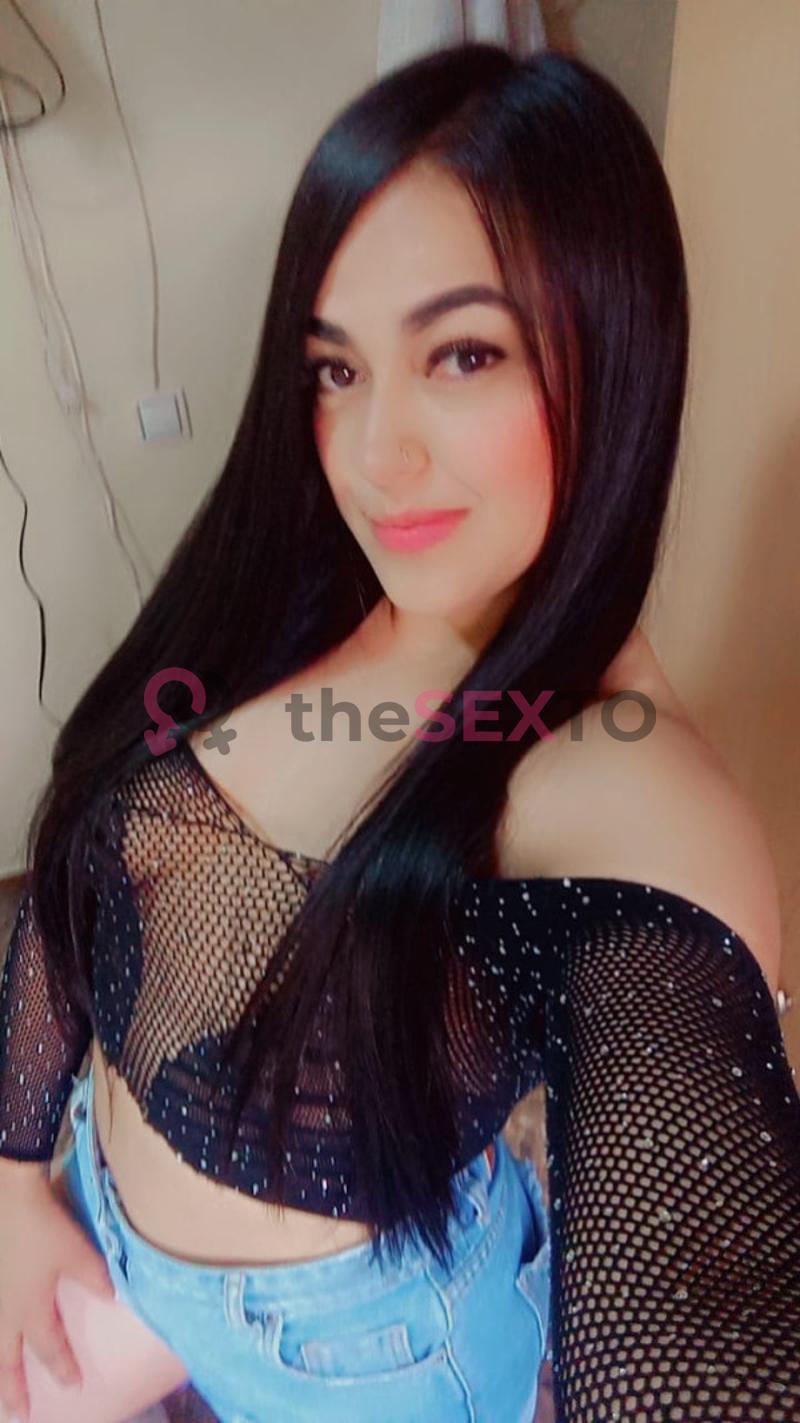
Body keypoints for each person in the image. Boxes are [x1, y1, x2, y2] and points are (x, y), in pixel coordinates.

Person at [1, 41, 799, 1423]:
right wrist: (16, 1181)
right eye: (336, 368)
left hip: (359, 1361)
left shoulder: (621, 790)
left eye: (464, 354)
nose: (376, 457)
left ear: (613, 354)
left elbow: (701, 1312)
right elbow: (77, 882)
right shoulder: (288, 586)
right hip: (104, 1218)